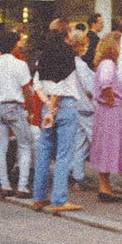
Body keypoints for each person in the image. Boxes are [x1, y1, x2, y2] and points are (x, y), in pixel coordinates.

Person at [31, 19, 83, 214]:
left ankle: (38, 197)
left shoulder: (43, 55)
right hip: (65, 106)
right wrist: (53, 110)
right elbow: (61, 86)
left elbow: (36, 84)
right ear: (66, 33)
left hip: (48, 107)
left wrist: (47, 106)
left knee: (44, 153)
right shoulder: (67, 53)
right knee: (63, 155)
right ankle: (59, 199)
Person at [0, 30, 34, 198]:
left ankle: (5, 184)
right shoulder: (20, 65)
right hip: (16, 107)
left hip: (0, 108)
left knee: (2, 147)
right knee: (25, 144)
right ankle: (22, 186)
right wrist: (31, 110)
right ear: (13, 46)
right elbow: (27, 90)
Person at [90, 32, 122, 201]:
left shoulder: (101, 63)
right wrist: (110, 97)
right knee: (119, 147)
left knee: (105, 148)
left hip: (104, 111)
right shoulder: (108, 63)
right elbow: (106, 83)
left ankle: (104, 187)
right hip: (113, 110)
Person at [67, 30, 95, 190]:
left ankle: (77, 175)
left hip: (73, 106)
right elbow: (90, 87)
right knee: (94, 141)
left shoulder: (67, 62)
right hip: (86, 107)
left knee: (79, 142)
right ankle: (106, 177)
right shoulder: (81, 65)